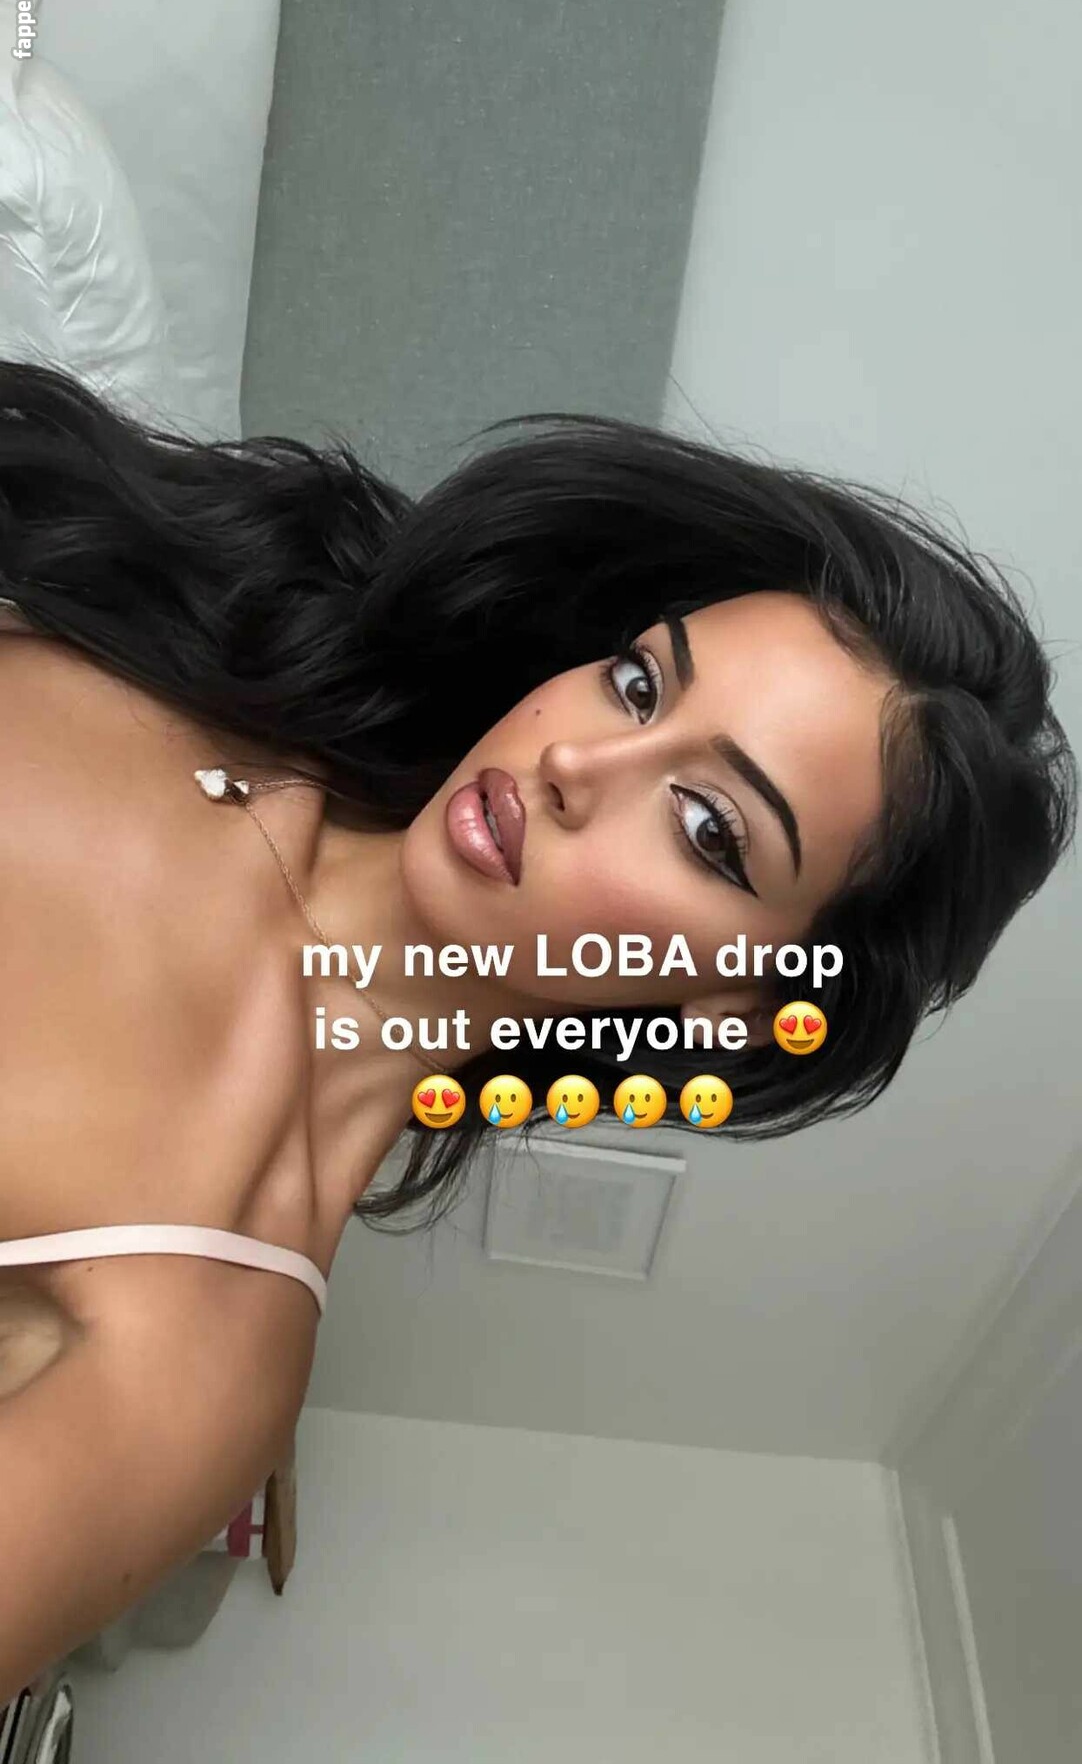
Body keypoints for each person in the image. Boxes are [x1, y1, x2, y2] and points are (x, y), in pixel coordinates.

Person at [0, 356, 1074, 1692]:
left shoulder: (201, 1339)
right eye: (637, 684)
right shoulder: (238, 594)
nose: (574, 762)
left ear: (737, 1002)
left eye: (707, 826)